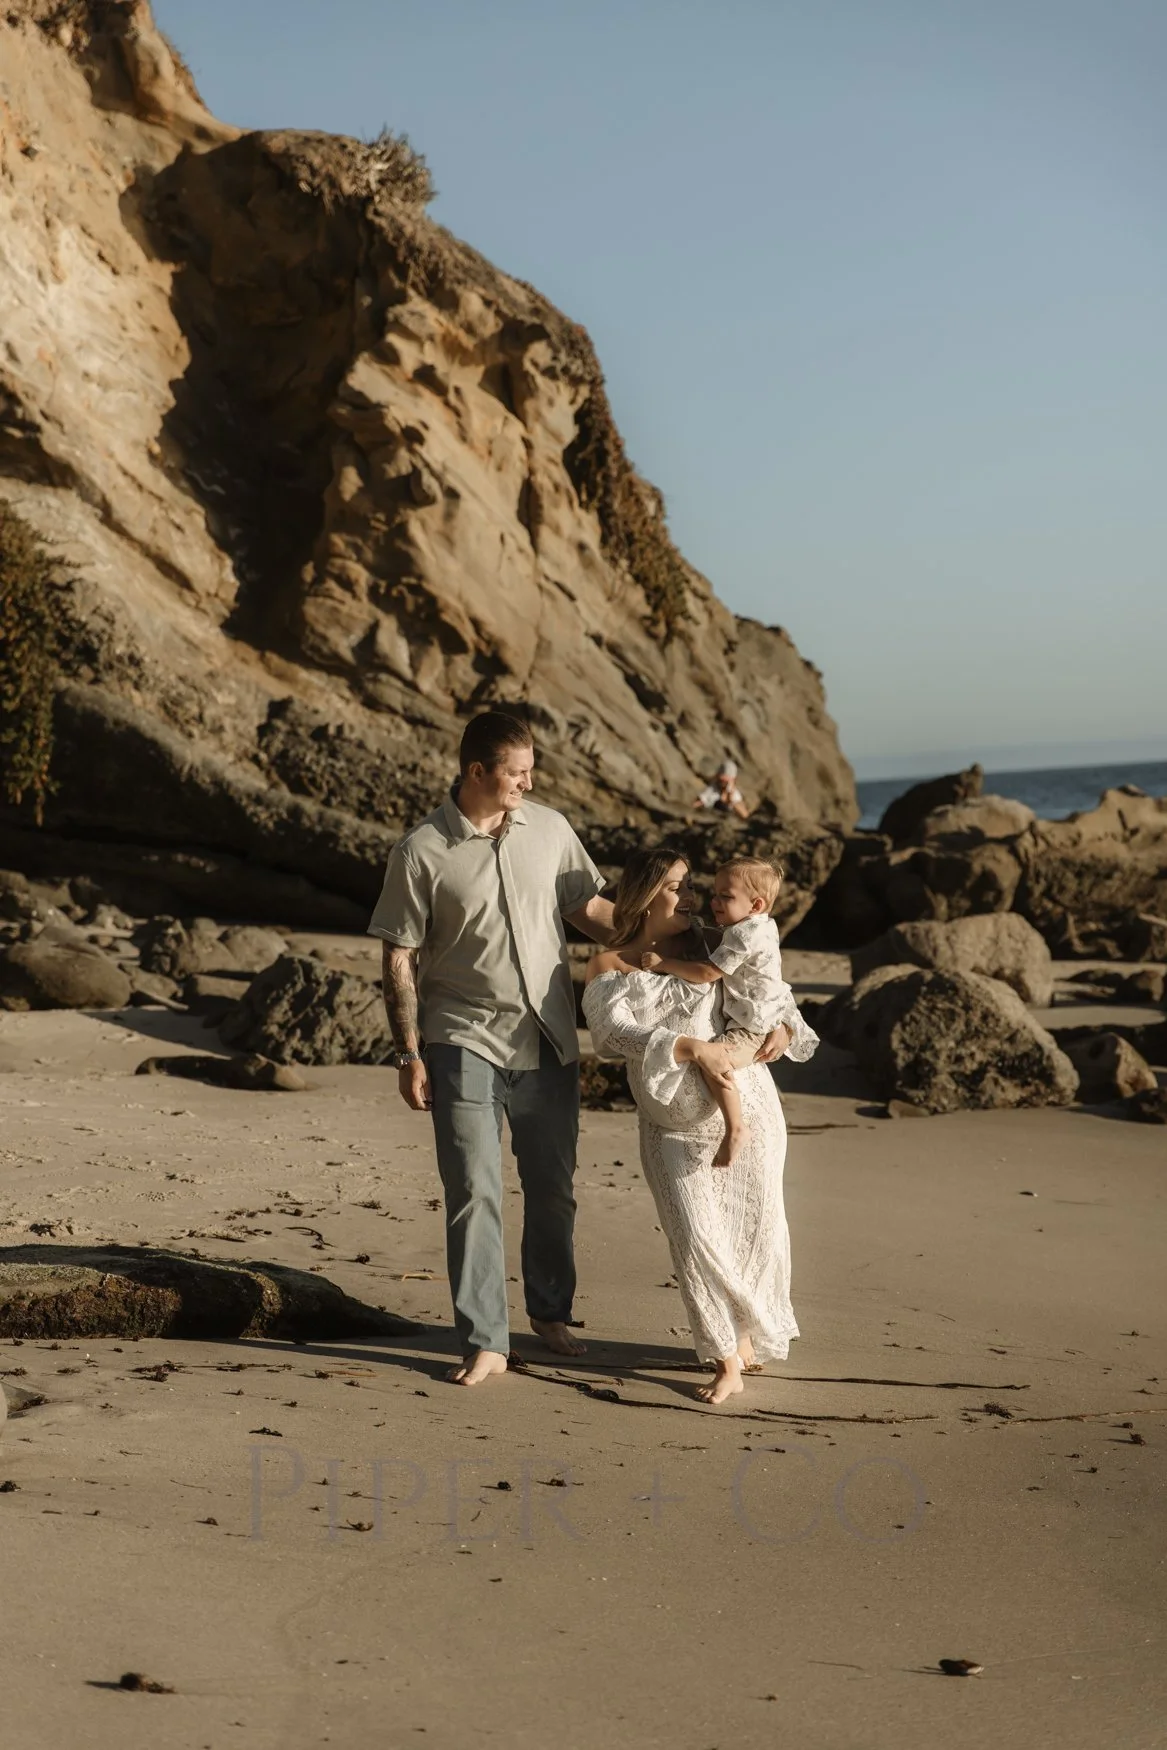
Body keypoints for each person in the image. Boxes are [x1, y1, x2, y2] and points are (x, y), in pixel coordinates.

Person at [368, 710, 614, 1388]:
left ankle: (550, 1312)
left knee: (552, 1190)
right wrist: (407, 1053)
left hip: (548, 1038)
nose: (526, 785)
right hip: (460, 1040)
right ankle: (485, 1339)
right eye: (515, 774)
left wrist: (663, 935)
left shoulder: (553, 831)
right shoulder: (420, 851)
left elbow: (591, 913)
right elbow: (398, 957)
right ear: (475, 771)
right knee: (474, 1192)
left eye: (531, 772)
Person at [581, 847, 818, 1406]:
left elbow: (766, 988)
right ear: (643, 897)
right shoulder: (609, 964)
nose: (692, 899)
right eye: (678, 888)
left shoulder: (714, 943)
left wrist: (786, 1024)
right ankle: (724, 1358)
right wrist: (685, 1046)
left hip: (749, 1109)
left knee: (754, 1229)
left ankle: (738, 1341)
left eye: (693, 887)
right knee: (696, 1241)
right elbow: (610, 1036)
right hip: (671, 1126)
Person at [639, 857, 818, 1167]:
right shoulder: (762, 927)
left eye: (726, 896)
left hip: (753, 1026)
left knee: (716, 1060)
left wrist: (663, 964)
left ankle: (736, 1128)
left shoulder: (742, 935)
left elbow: (709, 972)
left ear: (756, 904)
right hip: (762, 1016)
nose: (714, 901)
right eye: (715, 892)